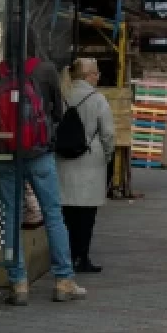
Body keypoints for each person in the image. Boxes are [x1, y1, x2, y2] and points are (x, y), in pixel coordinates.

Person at [0, 32, 87, 305]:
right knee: (53, 214)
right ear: (33, 45)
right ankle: (64, 281)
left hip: (5, 154)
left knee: (11, 217)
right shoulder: (45, 70)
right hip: (39, 154)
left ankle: (18, 284)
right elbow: (58, 113)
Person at [56, 58, 116, 274]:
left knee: (65, 215)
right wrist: (107, 156)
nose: (98, 77)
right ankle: (81, 258)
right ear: (88, 76)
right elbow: (108, 134)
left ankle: (65, 257)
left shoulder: (62, 94)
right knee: (86, 216)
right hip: (90, 162)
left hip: (63, 160)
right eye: (96, 73)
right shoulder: (97, 99)